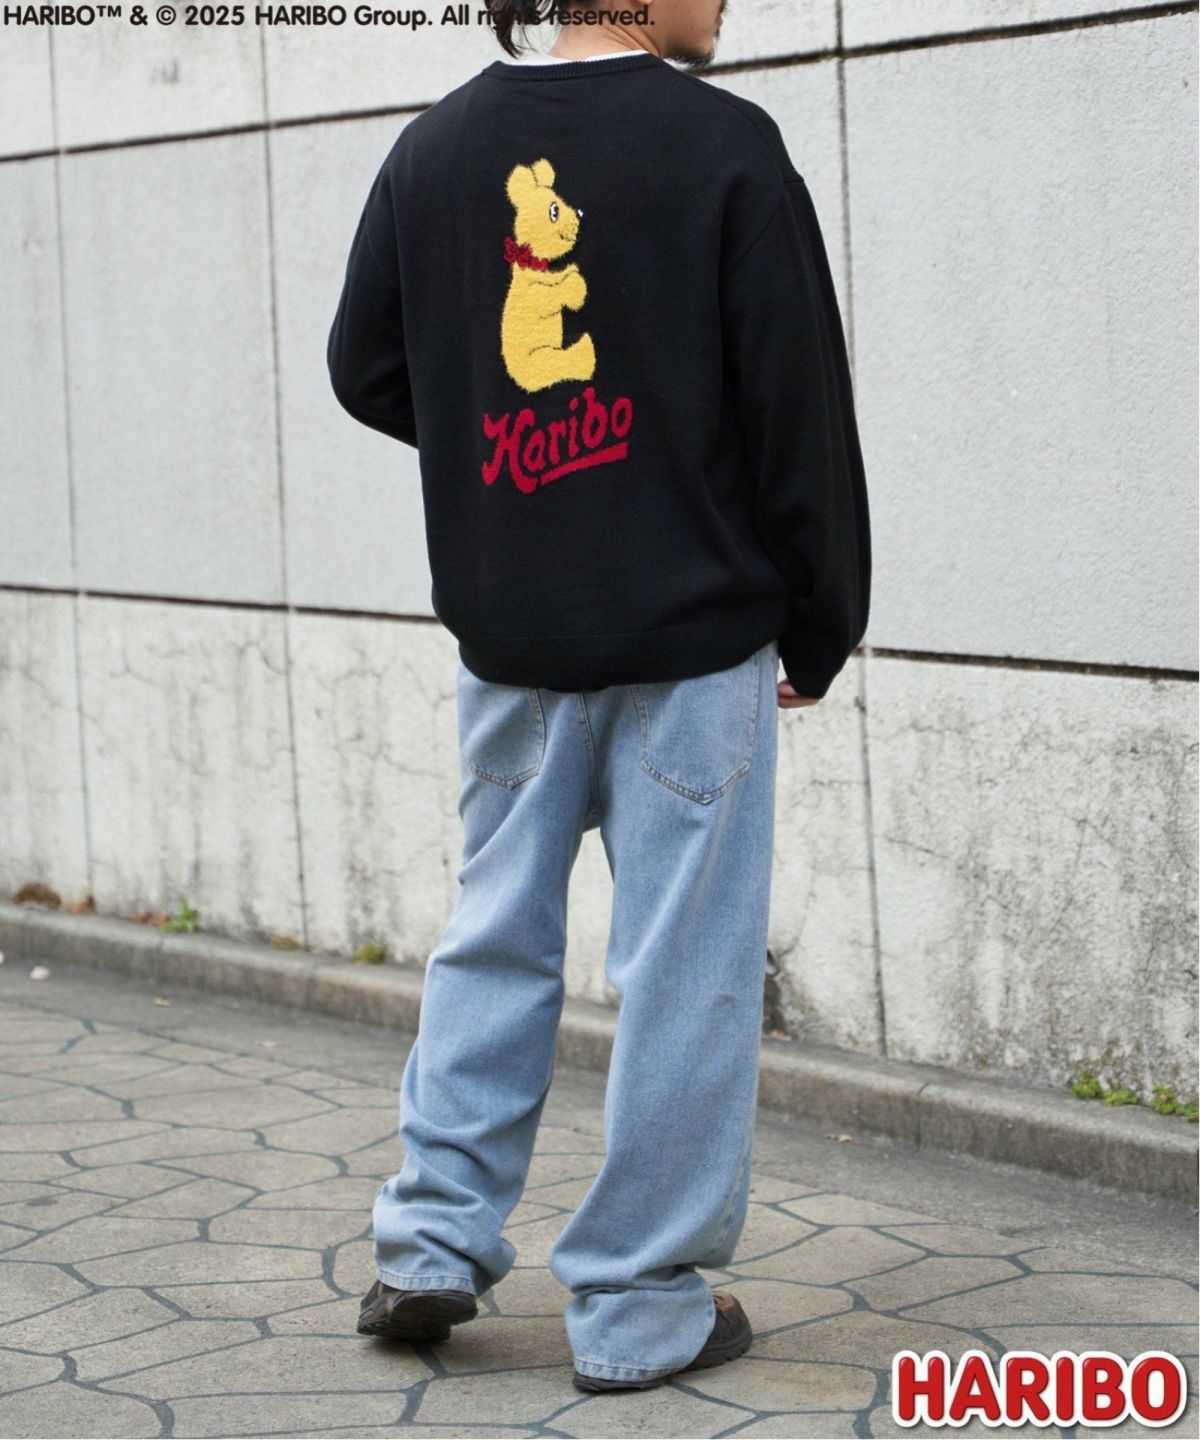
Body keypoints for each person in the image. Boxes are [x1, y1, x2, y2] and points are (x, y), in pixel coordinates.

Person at [326, 0, 871, 1394]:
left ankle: (429, 1243)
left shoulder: (435, 150)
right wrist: (821, 618)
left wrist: (505, 457)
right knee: (685, 964)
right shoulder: (727, 148)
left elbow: (366, 366)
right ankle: (635, 1305)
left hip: (514, 633)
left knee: (494, 932)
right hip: (692, 636)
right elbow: (796, 406)